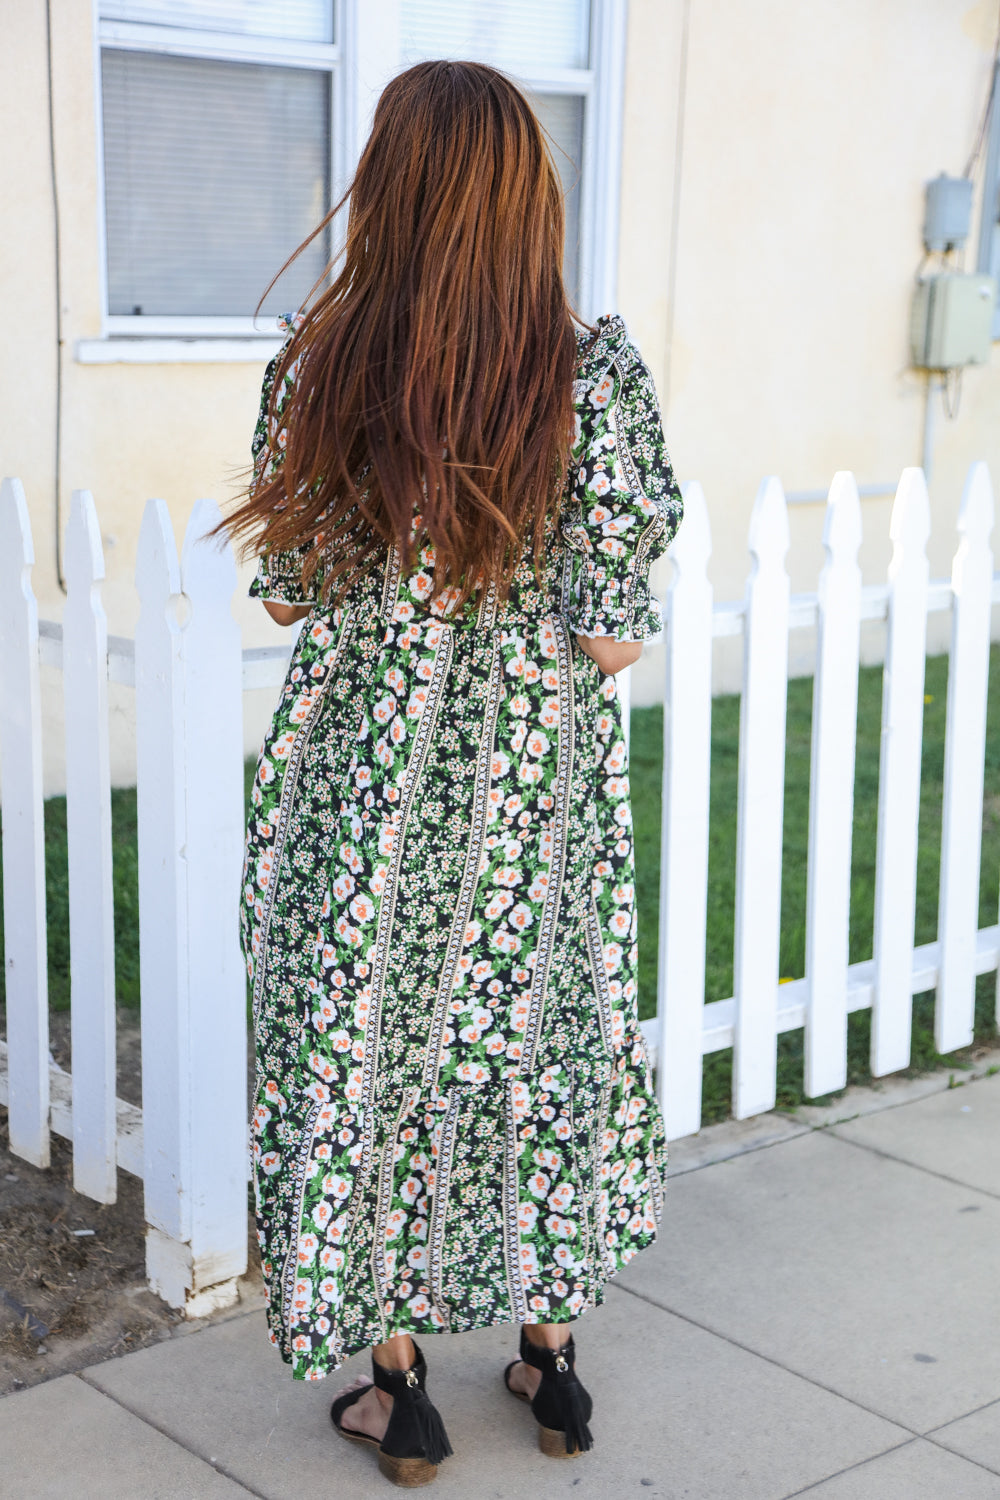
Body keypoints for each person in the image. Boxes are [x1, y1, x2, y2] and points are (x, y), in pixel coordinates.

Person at [224, 58, 684, 1489]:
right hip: (531, 820)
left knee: (366, 1073)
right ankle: (550, 1373)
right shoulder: (594, 377)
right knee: (531, 1063)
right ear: (524, 201)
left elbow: (293, 599)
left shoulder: (321, 365)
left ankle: (400, 1391)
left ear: (391, 191)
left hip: (360, 813)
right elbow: (610, 644)